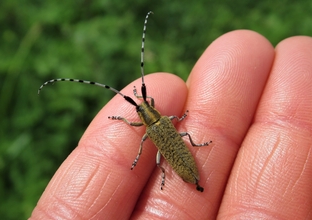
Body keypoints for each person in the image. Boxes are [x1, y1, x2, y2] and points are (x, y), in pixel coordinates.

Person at [29, 30, 312, 219]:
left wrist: (136, 137)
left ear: (147, 110)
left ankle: (176, 169)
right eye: (140, 109)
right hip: (183, 160)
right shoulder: (160, 123)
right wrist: (142, 141)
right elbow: (165, 122)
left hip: (182, 160)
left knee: (164, 151)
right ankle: (180, 170)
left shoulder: (154, 126)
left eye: (142, 107)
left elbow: (148, 123)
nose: (142, 108)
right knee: (172, 145)